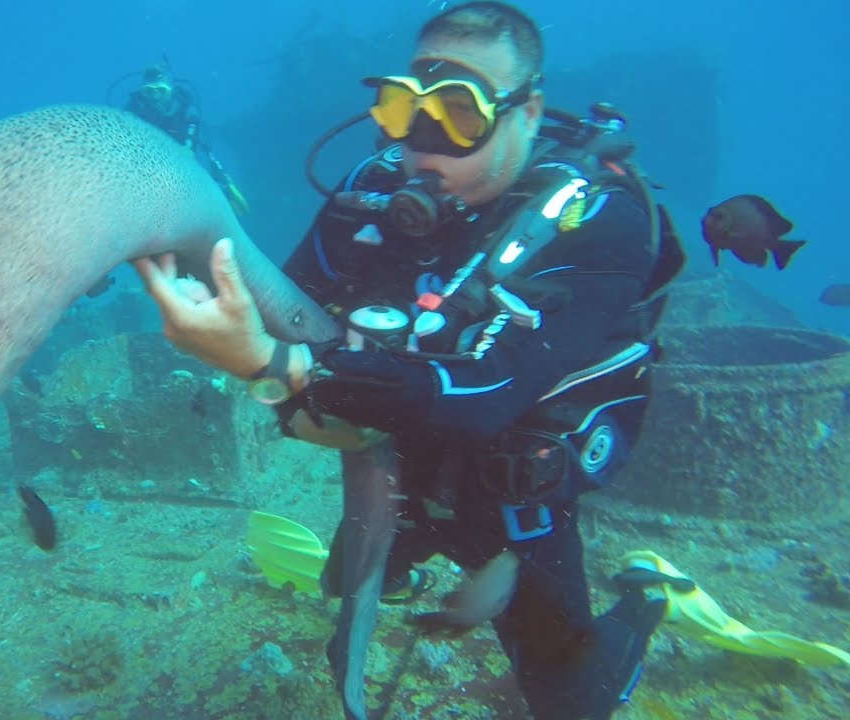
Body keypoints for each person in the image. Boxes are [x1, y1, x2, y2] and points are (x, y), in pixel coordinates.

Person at [132, 3, 687, 719]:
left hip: (513, 474)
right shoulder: (374, 188)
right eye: (403, 109)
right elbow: (291, 308)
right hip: (399, 448)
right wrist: (260, 352)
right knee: (350, 581)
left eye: (459, 114)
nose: (422, 147)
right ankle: (417, 542)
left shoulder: (598, 219)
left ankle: (641, 607)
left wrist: (274, 365)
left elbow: (491, 392)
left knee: (570, 699)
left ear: (527, 111)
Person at [123, 60, 250, 218]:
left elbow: (198, 147)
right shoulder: (134, 110)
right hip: (146, 160)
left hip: (181, 158)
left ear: (171, 91)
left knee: (194, 171)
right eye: (149, 91)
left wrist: (217, 174)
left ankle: (223, 190)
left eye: (161, 91)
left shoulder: (185, 110)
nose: (155, 97)